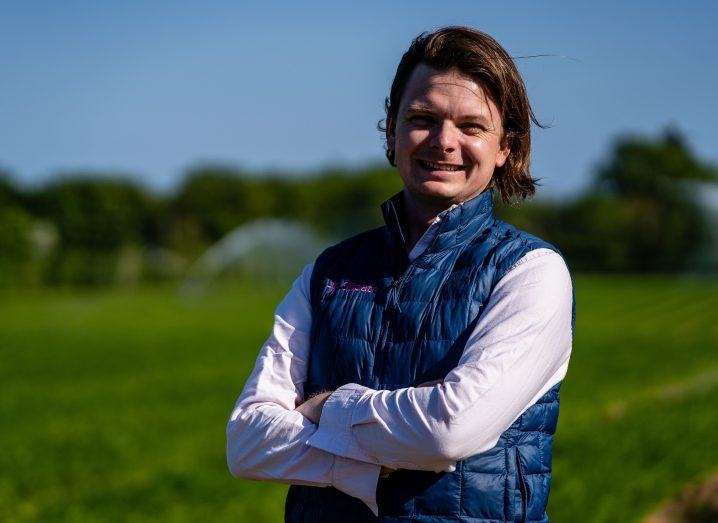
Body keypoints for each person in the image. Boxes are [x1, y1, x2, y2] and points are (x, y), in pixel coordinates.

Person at [227, 26, 574, 522]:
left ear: (505, 148)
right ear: (391, 129)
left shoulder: (531, 273)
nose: (443, 141)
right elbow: (246, 444)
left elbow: (449, 430)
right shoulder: (327, 272)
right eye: (421, 118)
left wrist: (328, 410)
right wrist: (368, 465)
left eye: (472, 127)